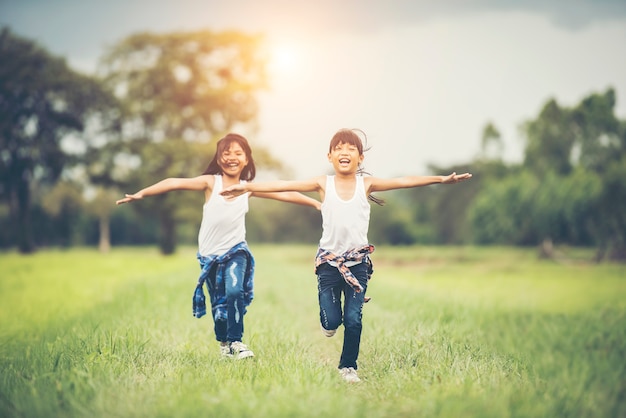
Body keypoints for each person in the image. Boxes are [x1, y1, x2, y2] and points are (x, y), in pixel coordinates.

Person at [220, 128, 472, 381]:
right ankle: (328, 323)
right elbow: (285, 185)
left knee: (353, 319)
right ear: (330, 155)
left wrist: (441, 179)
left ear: (360, 158)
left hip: (358, 264)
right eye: (339, 148)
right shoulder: (322, 183)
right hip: (329, 264)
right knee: (332, 321)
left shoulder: (367, 184)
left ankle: (348, 366)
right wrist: (246, 187)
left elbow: (404, 181)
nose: (345, 152)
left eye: (351, 148)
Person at [116, 133, 321, 360]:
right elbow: (174, 182)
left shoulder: (247, 188)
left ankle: (237, 342)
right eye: (226, 153)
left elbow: (286, 193)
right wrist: (142, 193)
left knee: (234, 291)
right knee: (219, 306)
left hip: (236, 251)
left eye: (237, 153)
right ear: (219, 158)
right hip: (210, 256)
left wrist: (314, 203)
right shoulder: (211, 182)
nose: (232, 157)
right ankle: (224, 344)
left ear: (246, 160)